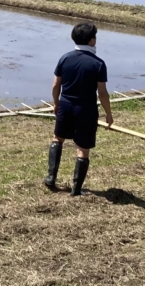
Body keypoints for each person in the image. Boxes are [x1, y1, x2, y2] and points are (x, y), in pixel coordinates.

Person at [44, 23, 115, 196]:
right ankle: (76, 189)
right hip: (86, 108)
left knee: (58, 138)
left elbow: (55, 85)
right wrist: (108, 114)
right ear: (92, 41)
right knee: (83, 148)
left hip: (66, 104)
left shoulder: (65, 58)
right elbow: (102, 93)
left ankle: (51, 177)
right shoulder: (98, 63)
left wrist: (56, 103)